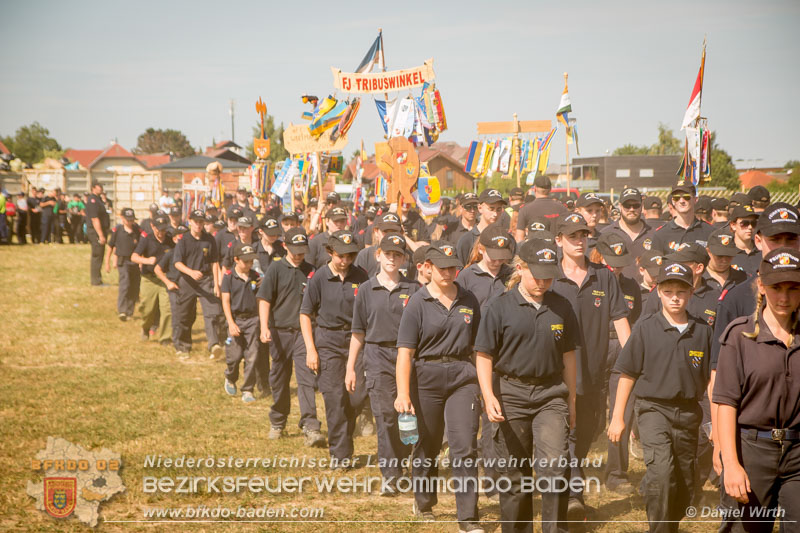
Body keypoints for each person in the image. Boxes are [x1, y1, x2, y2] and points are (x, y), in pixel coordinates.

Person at [475, 239, 578, 533]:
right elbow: (484, 354)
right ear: (521, 268)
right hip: (511, 394)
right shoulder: (499, 307)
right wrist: (488, 394)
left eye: (549, 276)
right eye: (538, 275)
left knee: (555, 467)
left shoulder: (562, 306)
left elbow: (569, 355)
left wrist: (571, 400)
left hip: (551, 395)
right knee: (514, 474)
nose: (544, 282)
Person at [608, 260, 712, 533]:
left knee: (684, 480)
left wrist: (716, 423)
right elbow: (626, 374)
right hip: (653, 410)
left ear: (691, 293)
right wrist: (618, 417)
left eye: (681, 291)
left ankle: (670, 525)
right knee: (661, 473)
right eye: (668, 291)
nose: (675, 297)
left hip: (689, 414)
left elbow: (713, 381)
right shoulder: (645, 328)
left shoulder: (702, 331)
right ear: (658, 292)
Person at [395, 241, 483, 532]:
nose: (448, 273)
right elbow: (405, 352)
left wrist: (485, 386)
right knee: (428, 444)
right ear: (428, 268)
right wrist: (403, 393)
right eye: (442, 268)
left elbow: (479, 348)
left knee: (465, 446)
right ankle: (423, 501)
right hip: (427, 377)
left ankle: (468, 517)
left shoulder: (469, 299)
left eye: (453, 267)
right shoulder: (417, 303)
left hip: (462, 376)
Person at [549, 212, 631, 514]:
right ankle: (572, 495)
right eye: (572, 236)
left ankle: (571, 481)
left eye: (583, 235)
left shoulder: (604, 276)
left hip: (593, 373)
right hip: (556, 374)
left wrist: (633, 362)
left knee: (587, 432)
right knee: (565, 434)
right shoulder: (549, 276)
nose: (580, 241)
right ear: (559, 241)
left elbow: (621, 321)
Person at [714, 247, 800, 532]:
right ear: (761, 286)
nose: (784, 297)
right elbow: (726, 403)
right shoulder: (739, 336)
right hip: (752, 452)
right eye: (776, 287)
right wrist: (731, 464)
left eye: (793, 288)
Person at [345, 234, 419, 493]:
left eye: (397, 254)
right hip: (376, 356)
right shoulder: (365, 290)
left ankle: (404, 462)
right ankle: (391, 474)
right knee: (385, 416)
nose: (392, 258)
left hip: (407, 357)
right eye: (387, 253)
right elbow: (358, 332)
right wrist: (350, 367)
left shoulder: (414, 289)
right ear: (378, 255)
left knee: (407, 414)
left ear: (403, 259)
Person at [300, 230, 369, 466]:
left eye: (350, 256)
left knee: (356, 397)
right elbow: (305, 314)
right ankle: (340, 455)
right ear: (330, 252)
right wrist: (311, 349)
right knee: (335, 398)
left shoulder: (361, 276)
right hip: (328, 343)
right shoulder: (318, 278)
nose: (345, 261)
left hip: (356, 342)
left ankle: (343, 439)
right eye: (340, 256)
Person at [258, 228, 324, 445]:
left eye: (302, 251)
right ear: (285, 246)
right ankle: (278, 420)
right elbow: (265, 299)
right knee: (279, 378)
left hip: (304, 335)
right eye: (294, 250)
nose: (298, 255)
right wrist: (264, 327)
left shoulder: (312, 271)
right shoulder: (276, 268)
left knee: (306, 379)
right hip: (279, 333)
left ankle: (311, 425)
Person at [593, 233, 642, 495]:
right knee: (592, 415)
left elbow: (637, 321)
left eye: (622, 261)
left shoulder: (631, 286)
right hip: (595, 350)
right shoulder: (592, 281)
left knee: (622, 410)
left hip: (622, 349)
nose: (617, 267)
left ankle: (616, 472)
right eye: (612, 261)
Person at [172, 209, 225, 360]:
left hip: (205, 279)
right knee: (185, 314)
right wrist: (190, 272)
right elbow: (177, 263)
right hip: (188, 280)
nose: (199, 225)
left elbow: (215, 262)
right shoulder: (183, 240)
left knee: (212, 312)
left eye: (202, 222)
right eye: (196, 222)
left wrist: (216, 283)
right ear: (190, 222)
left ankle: (214, 345)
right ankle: (183, 346)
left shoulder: (209, 240)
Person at [221, 243, 262, 404]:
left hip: (252, 320)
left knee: (252, 355)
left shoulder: (256, 276)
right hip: (236, 319)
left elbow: (260, 299)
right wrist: (231, 323)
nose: (249, 264)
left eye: (252, 261)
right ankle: (230, 376)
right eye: (246, 261)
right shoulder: (229, 277)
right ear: (236, 259)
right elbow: (225, 301)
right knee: (235, 355)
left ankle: (247, 389)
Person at [131, 214, 172, 344]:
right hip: (149, 278)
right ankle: (145, 327)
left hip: (164, 278)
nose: (161, 233)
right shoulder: (147, 239)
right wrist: (147, 260)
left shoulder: (170, 239)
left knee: (167, 309)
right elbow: (134, 257)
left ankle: (165, 337)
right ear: (152, 227)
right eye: (159, 229)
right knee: (147, 309)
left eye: (164, 230)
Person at [601, 187, 656, 283]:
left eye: (636, 205)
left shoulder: (654, 234)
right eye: (627, 205)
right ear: (620, 206)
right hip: (617, 292)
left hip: (645, 294)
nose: (631, 209)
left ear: (642, 206)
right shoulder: (606, 234)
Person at [651, 184, 713, 254]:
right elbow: (655, 263)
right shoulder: (661, 234)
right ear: (673, 201)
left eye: (686, 197)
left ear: (695, 200)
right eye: (676, 198)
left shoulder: (710, 232)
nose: (681, 201)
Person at [155, 224, 188, 351]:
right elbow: (157, 269)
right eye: (180, 238)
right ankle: (177, 341)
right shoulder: (170, 253)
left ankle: (183, 338)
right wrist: (167, 282)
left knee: (188, 315)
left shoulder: (190, 253)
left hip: (188, 288)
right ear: (174, 239)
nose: (183, 241)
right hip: (174, 287)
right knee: (176, 315)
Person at [107, 207, 142, 321]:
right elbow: (110, 246)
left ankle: (129, 311)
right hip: (123, 261)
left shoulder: (137, 231)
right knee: (125, 284)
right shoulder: (117, 231)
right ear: (122, 219)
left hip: (135, 261)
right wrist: (108, 262)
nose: (130, 222)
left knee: (134, 286)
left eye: (132, 220)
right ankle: (122, 310)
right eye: (128, 220)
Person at [457, 188, 507, 265]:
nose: (495, 214)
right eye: (491, 208)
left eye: (499, 209)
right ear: (480, 208)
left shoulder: (506, 238)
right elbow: (460, 272)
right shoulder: (466, 240)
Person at [515, 175, 568, 239]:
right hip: (555, 247)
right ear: (550, 189)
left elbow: (519, 237)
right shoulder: (562, 209)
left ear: (535, 188)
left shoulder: (524, 210)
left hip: (533, 248)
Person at [729, 205, 760, 276]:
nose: (750, 227)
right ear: (733, 225)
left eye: (753, 223)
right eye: (745, 223)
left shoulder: (762, 250)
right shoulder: (727, 252)